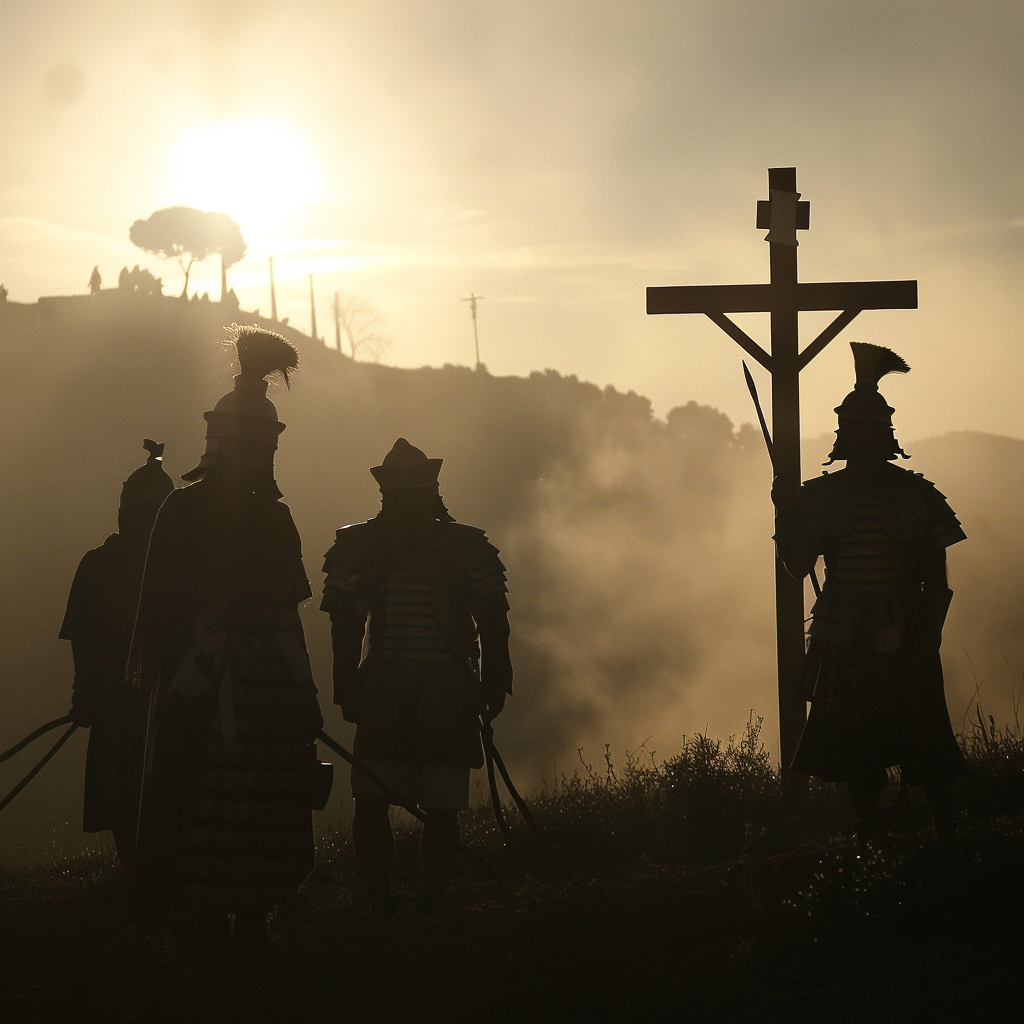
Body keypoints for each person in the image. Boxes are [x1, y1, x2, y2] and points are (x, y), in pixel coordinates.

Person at [131, 325, 323, 936]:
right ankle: (211, 914)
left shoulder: (269, 516)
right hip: (207, 680)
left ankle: (247, 911)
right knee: (210, 794)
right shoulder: (189, 512)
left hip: (251, 684)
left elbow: (287, 614)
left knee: (250, 797)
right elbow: (161, 611)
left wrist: (305, 689)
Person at [773, 342, 970, 842]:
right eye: (853, 427)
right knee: (855, 746)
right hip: (843, 634)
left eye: (869, 426)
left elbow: (937, 580)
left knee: (922, 736)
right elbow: (798, 566)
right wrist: (788, 518)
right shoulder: (819, 498)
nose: (861, 436)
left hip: (905, 633)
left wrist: (927, 639)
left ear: (884, 432)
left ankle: (946, 831)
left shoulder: (917, 496)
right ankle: (869, 835)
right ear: (844, 434)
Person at [321, 439, 513, 915]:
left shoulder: (464, 548)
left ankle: (433, 900)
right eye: (397, 499)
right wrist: (345, 683)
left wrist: (494, 680)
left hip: (446, 688)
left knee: (441, 806)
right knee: (370, 799)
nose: (404, 507)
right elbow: (345, 619)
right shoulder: (363, 548)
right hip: (387, 687)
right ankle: (383, 901)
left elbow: (493, 619)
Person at [59, 440, 175, 875]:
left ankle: (156, 875)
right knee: (123, 794)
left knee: (160, 790)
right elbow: (81, 633)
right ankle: (137, 875)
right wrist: (83, 687)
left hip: (165, 700)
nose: (130, 518)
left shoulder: (175, 568)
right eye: (128, 510)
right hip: (113, 702)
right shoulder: (98, 565)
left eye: (140, 512)